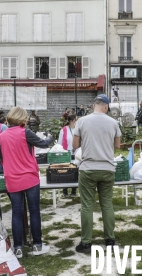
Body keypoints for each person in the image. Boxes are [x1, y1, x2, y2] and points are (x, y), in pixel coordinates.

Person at [0, 107, 52, 258]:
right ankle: (37, 245)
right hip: (29, 176)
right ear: (22, 119)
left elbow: (2, 157)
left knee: (16, 212)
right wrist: (50, 137)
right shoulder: (25, 132)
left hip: (11, 178)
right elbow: (43, 144)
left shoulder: (2, 136)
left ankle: (18, 247)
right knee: (34, 210)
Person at [72, 94, 121, 253]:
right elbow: (118, 146)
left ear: (94, 105)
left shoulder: (82, 121)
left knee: (87, 205)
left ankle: (86, 242)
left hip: (88, 168)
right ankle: (110, 239)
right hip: (107, 168)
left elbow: (75, 145)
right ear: (106, 107)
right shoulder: (113, 122)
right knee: (107, 204)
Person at [58, 115, 78, 198]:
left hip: (77, 154)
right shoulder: (64, 130)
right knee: (65, 171)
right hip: (67, 153)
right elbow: (59, 143)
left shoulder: (78, 129)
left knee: (75, 171)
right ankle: (65, 190)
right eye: (76, 120)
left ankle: (74, 191)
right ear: (72, 120)